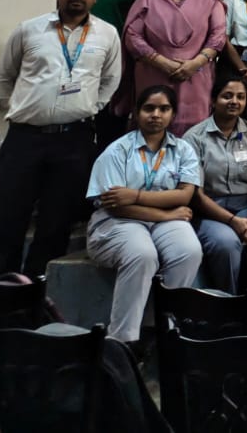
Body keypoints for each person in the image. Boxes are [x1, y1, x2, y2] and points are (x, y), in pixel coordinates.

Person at [0, 0, 123, 278]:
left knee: (56, 223)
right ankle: (0, 291)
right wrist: (25, 109)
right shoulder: (29, 29)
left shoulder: (107, 33)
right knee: (11, 219)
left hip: (74, 140)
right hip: (25, 138)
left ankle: (37, 290)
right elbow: (4, 77)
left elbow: (110, 79)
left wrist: (88, 107)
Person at [85, 84, 202, 345]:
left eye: (164, 109)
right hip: (120, 220)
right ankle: (122, 341)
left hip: (164, 219)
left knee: (189, 251)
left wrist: (135, 195)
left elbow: (184, 196)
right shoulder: (117, 151)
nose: (156, 115)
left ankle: (161, 329)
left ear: (173, 114)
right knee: (142, 254)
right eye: (149, 108)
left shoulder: (183, 150)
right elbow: (116, 206)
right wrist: (165, 214)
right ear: (137, 113)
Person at [122, 0, 226, 135]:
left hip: (196, 74)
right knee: (153, 122)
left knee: (193, 130)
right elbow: (133, 37)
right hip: (153, 72)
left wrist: (195, 63)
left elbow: (218, 36)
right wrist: (164, 63)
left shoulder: (211, 0)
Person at [68, 0, 147, 147]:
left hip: (116, 58)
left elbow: (140, 20)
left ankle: (106, 165)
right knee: (74, 112)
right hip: (75, 54)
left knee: (110, 119)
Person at [189, 77, 247, 292]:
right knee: (227, 244)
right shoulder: (195, 137)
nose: (234, 101)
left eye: (240, 97)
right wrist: (233, 221)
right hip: (209, 209)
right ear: (213, 100)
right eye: (227, 96)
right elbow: (196, 194)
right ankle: (227, 305)